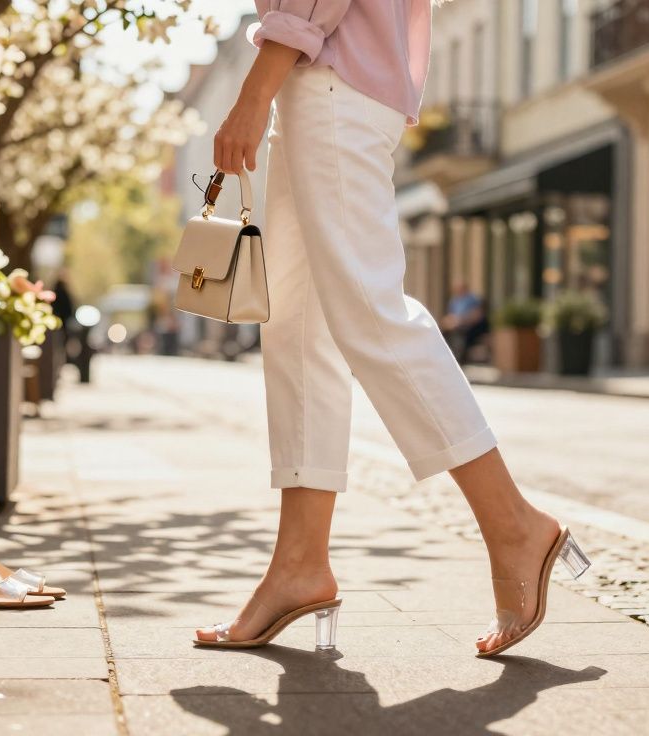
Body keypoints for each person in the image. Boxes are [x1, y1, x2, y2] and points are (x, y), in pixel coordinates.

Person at [194, 0, 589, 658]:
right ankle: (299, 565)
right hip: (316, 77)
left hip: (330, 76)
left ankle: (515, 524)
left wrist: (256, 85)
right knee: (296, 328)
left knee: (370, 311)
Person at [441, 281, 489, 364]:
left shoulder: (472, 299)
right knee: (443, 331)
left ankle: (459, 359)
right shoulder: (454, 301)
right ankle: (446, 357)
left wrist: (461, 320)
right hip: (456, 326)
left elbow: (477, 315)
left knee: (461, 335)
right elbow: (451, 315)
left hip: (472, 326)